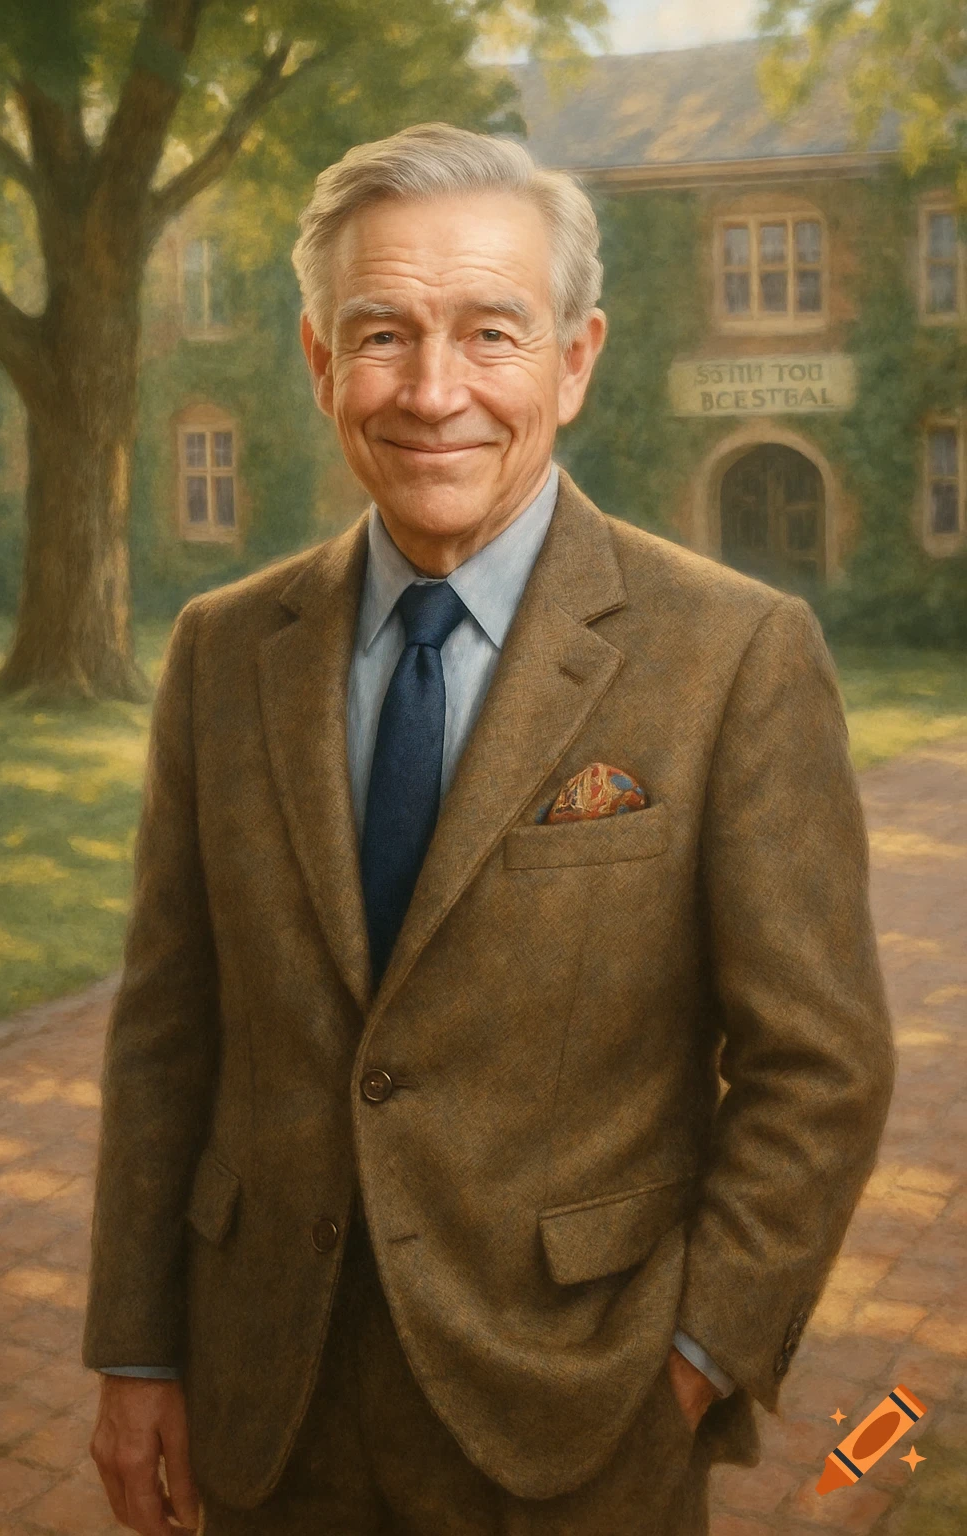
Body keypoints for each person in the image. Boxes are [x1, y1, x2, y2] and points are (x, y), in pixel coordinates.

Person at [84, 124, 896, 1536]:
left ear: (574, 361)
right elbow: (170, 1023)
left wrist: (695, 1363)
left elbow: (819, 1069)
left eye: (492, 334)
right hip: (264, 1396)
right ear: (319, 360)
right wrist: (139, 1347)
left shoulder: (734, 655)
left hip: (577, 1416)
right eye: (383, 333)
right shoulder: (223, 652)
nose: (433, 390)